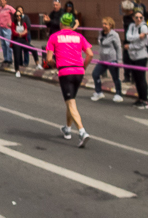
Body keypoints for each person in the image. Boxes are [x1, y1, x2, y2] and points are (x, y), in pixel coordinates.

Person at [45, 12, 93, 148]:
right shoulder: (79, 37)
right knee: (70, 100)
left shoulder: (54, 37)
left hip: (65, 72)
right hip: (79, 71)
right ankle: (67, 129)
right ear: (72, 25)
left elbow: (48, 59)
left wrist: (55, 65)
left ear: (61, 24)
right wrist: (83, 65)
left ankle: (82, 132)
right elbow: (90, 54)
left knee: (71, 103)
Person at [91, 16, 124, 102]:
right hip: (102, 59)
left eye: (106, 24)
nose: (104, 25)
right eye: (103, 24)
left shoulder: (114, 35)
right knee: (95, 74)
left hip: (112, 59)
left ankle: (118, 94)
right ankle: (98, 92)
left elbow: (118, 47)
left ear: (111, 25)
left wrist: (119, 60)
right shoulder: (101, 33)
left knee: (115, 77)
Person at [125, 10, 148, 109]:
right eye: (137, 17)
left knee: (141, 78)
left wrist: (130, 46)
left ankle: (145, 100)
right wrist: (137, 37)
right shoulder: (132, 26)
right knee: (135, 78)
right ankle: (140, 98)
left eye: (141, 17)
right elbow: (128, 37)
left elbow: (142, 43)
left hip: (141, 56)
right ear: (133, 18)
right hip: (133, 56)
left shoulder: (143, 27)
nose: (139, 19)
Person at [11, 10, 30, 77]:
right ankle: (17, 70)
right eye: (17, 16)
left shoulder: (23, 23)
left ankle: (37, 64)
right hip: (16, 40)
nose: (18, 17)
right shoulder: (13, 23)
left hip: (23, 40)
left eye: (20, 16)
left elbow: (26, 31)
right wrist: (20, 34)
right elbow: (14, 32)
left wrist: (22, 34)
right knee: (17, 55)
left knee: (33, 49)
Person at [121, 0, 136, 83]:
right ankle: (127, 76)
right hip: (126, 40)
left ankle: (134, 77)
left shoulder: (134, 17)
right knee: (126, 59)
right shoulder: (125, 17)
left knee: (133, 60)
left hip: (133, 41)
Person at [0, 0, 15, 65]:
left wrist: (12, 23)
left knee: (8, 44)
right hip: (1, 27)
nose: (2, 2)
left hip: (7, 28)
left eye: (3, 1)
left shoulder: (9, 8)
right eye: (0, 1)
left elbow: (16, 14)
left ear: (6, 1)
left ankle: (10, 59)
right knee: (3, 44)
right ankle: (6, 58)